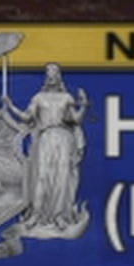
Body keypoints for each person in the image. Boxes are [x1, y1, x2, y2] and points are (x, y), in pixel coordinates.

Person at [11, 62, 90, 238]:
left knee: (61, 177)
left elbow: (75, 120)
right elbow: (27, 117)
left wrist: (84, 106)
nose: (52, 75)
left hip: (63, 139)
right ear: (46, 76)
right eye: (49, 72)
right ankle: (36, 215)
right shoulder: (38, 98)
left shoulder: (67, 98)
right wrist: (11, 107)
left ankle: (59, 216)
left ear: (58, 75)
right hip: (45, 139)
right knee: (41, 176)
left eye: (54, 72)